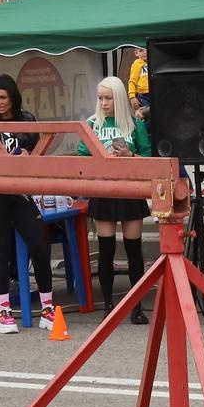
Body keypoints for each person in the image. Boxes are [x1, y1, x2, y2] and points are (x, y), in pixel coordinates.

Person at [0, 74, 57, 334]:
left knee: (40, 247)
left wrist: (28, 155)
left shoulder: (27, 120)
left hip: (22, 195)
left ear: (13, 97)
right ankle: (4, 312)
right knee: (2, 251)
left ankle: (48, 307)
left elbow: (38, 152)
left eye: (3, 97)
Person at [82, 76, 152, 324]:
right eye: (100, 98)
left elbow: (148, 156)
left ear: (120, 98)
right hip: (103, 190)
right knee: (106, 250)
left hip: (130, 191)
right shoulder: (91, 124)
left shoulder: (134, 124)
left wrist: (129, 155)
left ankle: (137, 306)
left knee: (134, 249)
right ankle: (109, 305)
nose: (103, 103)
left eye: (108, 98)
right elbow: (82, 157)